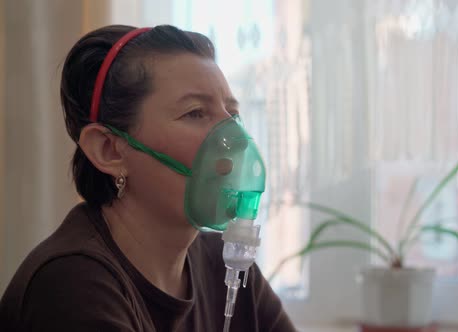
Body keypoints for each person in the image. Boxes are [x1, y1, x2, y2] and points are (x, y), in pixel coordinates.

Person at [0, 24, 295, 332]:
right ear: (109, 150)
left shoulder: (220, 266)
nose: (235, 139)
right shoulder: (70, 284)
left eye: (232, 114)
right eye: (195, 113)